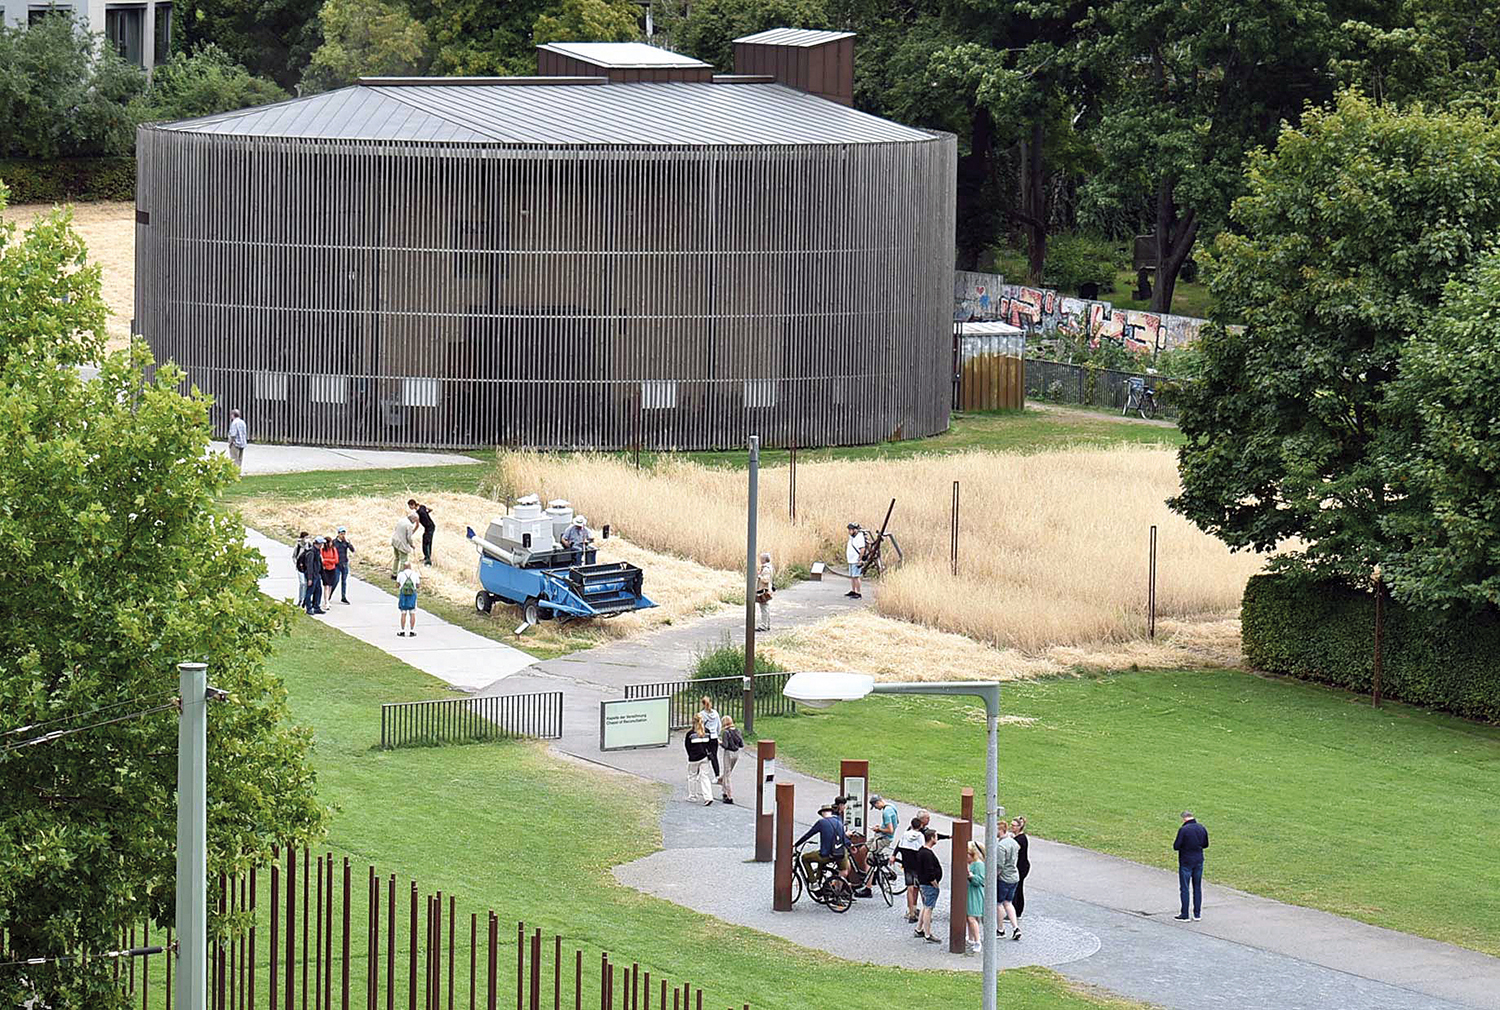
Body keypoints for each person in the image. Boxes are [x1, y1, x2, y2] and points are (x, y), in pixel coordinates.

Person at [795, 804, 853, 889]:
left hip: (827, 855)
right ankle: (837, 890)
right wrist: (850, 844)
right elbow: (843, 837)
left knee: (805, 858)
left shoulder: (821, 822)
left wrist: (796, 844)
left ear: (822, 813)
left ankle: (813, 882)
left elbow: (808, 835)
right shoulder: (839, 822)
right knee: (841, 870)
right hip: (840, 854)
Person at [1173, 810, 1209, 921]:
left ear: (1184, 818)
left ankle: (1185, 914)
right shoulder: (1201, 828)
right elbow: (1205, 844)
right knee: (1197, 887)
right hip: (1198, 860)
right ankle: (1197, 914)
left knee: (1185, 887)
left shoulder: (1183, 830)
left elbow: (1176, 846)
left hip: (1186, 861)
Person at [910, 828, 943, 943]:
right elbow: (929, 871)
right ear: (932, 838)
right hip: (929, 885)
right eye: (936, 836)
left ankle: (919, 928)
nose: (937, 838)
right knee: (929, 908)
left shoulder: (921, 851)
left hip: (923, 883)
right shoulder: (927, 854)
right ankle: (927, 934)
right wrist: (934, 883)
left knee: (925, 906)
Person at [895, 814, 926, 922]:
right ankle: (925, 912)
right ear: (920, 826)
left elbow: (899, 846)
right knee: (921, 888)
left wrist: (894, 855)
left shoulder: (905, 834)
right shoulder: (920, 836)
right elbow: (922, 850)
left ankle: (911, 912)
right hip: (918, 865)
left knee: (910, 888)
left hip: (907, 864)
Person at [995, 823, 1022, 940]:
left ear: (1000, 830)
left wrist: (993, 878)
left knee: (999, 903)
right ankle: (1016, 928)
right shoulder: (1013, 842)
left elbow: (999, 866)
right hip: (1014, 876)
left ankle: (1000, 930)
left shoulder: (1001, 846)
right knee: (1008, 903)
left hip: (1004, 878)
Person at [684, 715, 714, 805]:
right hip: (705, 757)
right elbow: (711, 744)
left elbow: (687, 746)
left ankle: (692, 796)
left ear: (693, 722)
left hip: (694, 758)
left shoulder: (690, 734)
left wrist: (690, 755)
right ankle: (708, 796)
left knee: (692, 776)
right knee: (705, 776)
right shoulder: (707, 732)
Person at [966, 841, 986, 954]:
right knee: (971, 916)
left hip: (975, 892)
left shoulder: (978, 864)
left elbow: (980, 881)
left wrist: (971, 876)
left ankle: (977, 941)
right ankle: (971, 938)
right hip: (972, 891)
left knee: (972, 917)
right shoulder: (974, 863)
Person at [718, 716, 743, 803]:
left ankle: (729, 795)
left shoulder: (726, 732)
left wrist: (719, 742)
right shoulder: (738, 731)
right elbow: (741, 744)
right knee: (728, 772)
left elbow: (725, 745)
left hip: (728, 753)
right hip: (736, 753)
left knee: (727, 773)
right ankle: (723, 789)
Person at [301, 537, 326, 615]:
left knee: (318, 591)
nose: (321, 545)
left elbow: (319, 564)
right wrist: (310, 578)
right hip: (312, 575)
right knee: (310, 591)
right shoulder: (311, 552)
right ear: (316, 543)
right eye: (320, 543)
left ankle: (316, 607)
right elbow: (309, 566)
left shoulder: (317, 552)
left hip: (317, 574)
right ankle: (308, 608)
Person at [698, 696, 722, 780]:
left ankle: (699, 774)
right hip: (714, 737)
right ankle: (717, 775)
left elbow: (700, 726)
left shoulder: (701, 714)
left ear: (703, 704)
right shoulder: (715, 713)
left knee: (702, 754)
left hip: (705, 737)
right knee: (714, 756)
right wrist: (717, 734)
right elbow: (719, 725)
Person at [1011, 815, 1030, 918]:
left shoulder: (1019, 840)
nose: (1011, 827)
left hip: (1020, 867)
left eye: (1014, 826)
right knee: (1018, 888)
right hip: (1023, 865)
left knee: (1017, 889)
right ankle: (1017, 910)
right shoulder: (1020, 838)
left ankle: (1017, 911)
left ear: (1019, 827)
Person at [407, 499, 436, 566]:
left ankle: (428, 561)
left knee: (425, 543)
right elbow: (431, 509)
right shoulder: (422, 506)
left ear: (413, 505)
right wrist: (427, 513)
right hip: (430, 526)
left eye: (410, 506)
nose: (410, 508)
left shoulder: (418, 513)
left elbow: (417, 525)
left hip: (429, 528)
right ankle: (427, 557)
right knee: (428, 542)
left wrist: (412, 532)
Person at [396, 560, 420, 636]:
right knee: (412, 612)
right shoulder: (415, 574)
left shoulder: (400, 574)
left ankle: (402, 631)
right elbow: (418, 585)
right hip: (412, 594)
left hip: (403, 594)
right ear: (410, 567)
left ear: (404, 567)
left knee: (403, 612)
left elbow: (397, 585)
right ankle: (412, 631)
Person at [333, 527, 356, 604]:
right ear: (338, 534)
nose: (342, 535)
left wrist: (348, 543)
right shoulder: (334, 542)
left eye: (344, 534)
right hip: (337, 564)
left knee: (344, 581)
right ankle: (329, 595)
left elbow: (352, 550)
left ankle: (343, 597)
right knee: (335, 580)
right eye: (341, 534)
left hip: (344, 563)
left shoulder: (345, 542)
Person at [391, 511, 418, 579]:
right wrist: (412, 545)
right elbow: (409, 537)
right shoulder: (409, 525)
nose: (415, 522)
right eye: (415, 520)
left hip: (395, 541)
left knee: (396, 558)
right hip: (401, 544)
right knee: (404, 560)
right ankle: (400, 576)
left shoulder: (402, 520)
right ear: (413, 518)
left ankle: (394, 574)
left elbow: (396, 528)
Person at [844, 523, 866, 599]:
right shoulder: (852, 537)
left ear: (855, 530)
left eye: (850, 530)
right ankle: (853, 590)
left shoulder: (859, 537)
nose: (849, 531)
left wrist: (859, 559)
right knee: (852, 577)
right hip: (851, 559)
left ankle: (858, 592)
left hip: (855, 560)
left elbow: (862, 549)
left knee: (856, 577)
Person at [754, 551, 774, 631]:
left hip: (763, 591)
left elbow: (766, 579)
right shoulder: (769, 567)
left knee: (764, 608)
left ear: (764, 559)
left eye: (761, 558)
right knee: (766, 608)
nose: (760, 560)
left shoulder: (766, 569)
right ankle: (767, 625)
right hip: (766, 590)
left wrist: (759, 576)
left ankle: (764, 625)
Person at [292, 531, 311, 606]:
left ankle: (305, 600)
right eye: (306, 538)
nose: (307, 539)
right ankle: (300, 599)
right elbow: (294, 556)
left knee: (306, 584)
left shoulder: (309, 545)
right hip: (300, 567)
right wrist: (296, 564)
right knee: (302, 583)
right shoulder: (298, 546)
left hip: (307, 567)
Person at [319, 535, 340, 602]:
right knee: (326, 586)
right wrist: (330, 560)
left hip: (332, 569)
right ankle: (326, 601)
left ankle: (328, 598)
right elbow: (321, 560)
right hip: (325, 569)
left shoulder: (333, 549)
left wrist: (326, 560)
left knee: (330, 585)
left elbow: (336, 560)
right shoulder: (322, 550)